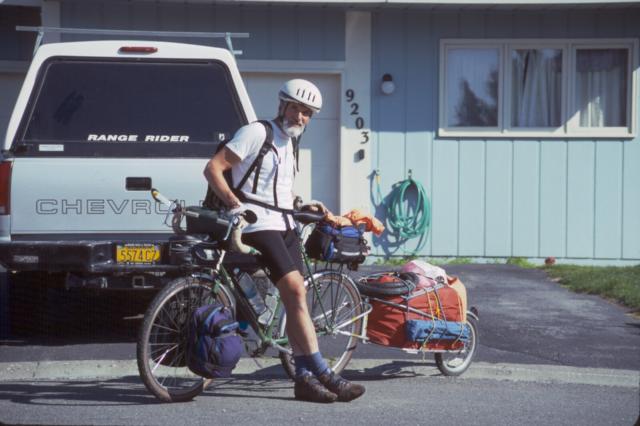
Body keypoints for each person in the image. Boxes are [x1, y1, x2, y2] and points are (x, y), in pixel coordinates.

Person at [203, 79, 365, 403]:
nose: (300, 116)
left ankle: (303, 379)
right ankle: (323, 372)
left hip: (284, 223)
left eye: (307, 113)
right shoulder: (256, 133)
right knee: (294, 289)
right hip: (257, 224)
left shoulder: (290, 142)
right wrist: (235, 206)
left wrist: (303, 204)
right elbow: (213, 169)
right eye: (296, 108)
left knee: (295, 299)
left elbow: (278, 190)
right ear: (282, 105)